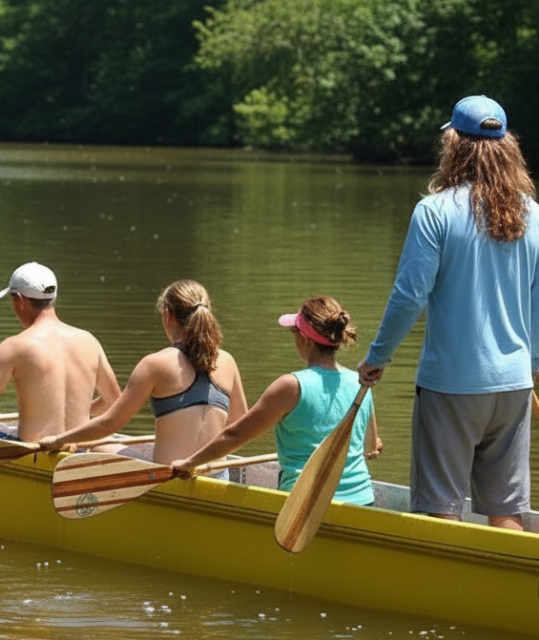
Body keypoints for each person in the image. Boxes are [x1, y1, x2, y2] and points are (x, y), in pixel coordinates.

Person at [358, 95, 539, 530]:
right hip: (515, 385)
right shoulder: (533, 214)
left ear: (454, 143)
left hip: (452, 385)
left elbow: (409, 295)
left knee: (439, 507)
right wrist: (532, 366)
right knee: (506, 508)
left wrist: (377, 357)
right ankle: (505, 595)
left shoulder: (434, 211)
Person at [172, 297, 382, 505]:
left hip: (303, 507)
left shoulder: (291, 386)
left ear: (305, 338)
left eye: (293, 332)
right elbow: (373, 445)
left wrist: (188, 463)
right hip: (362, 500)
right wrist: (374, 443)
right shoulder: (360, 383)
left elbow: (235, 436)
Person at [37, 280, 248, 470]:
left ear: (168, 316)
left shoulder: (155, 364)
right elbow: (240, 425)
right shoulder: (227, 361)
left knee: (99, 443)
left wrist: (59, 439)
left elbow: (110, 423)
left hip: (170, 478)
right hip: (218, 476)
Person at [0, 262, 121, 442]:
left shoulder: (15, 347)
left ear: (19, 300)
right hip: (79, 449)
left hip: (36, 450)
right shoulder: (89, 341)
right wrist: (81, 411)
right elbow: (114, 402)